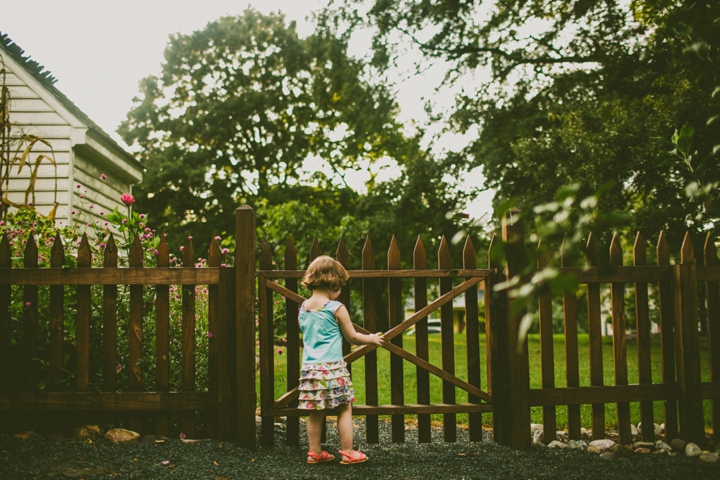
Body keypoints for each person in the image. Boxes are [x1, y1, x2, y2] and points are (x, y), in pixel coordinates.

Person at [298, 255, 383, 465]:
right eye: (340, 285)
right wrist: (371, 338)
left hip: (310, 370)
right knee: (344, 408)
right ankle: (348, 452)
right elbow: (352, 336)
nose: (341, 290)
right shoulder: (336, 307)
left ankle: (315, 453)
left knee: (316, 412)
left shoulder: (303, 307)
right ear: (332, 282)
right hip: (333, 369)